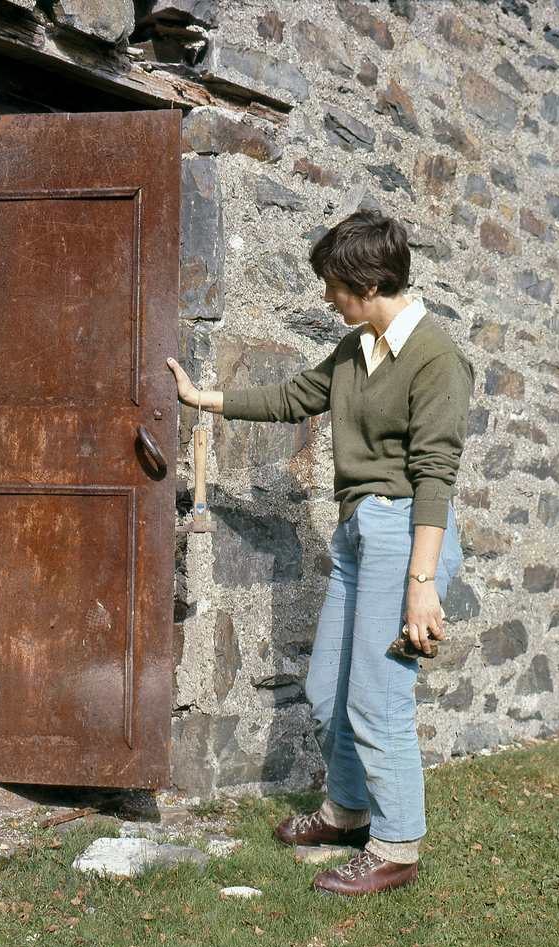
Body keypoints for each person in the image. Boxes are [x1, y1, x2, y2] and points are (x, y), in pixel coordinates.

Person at [167, 210, 471, 896]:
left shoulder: (436, 358)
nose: (326, 297)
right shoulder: (358, 349)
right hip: (359, 531)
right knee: (328, 688)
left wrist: (422, 583)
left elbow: (435, 477)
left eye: (332, 284)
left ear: (363, 283)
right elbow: (293, 397)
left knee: (377, 698)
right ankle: (347, 810)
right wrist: (200, 398)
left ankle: (395, 849)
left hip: (407, 535)